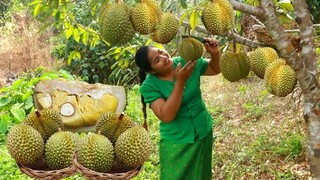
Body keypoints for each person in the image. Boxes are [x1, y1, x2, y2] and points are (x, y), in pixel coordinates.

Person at [134, 37, 221, 180]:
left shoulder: (185, 61)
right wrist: (180, 82)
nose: (163, 57)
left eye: (161, 52)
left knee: (202, 175)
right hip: (177, 141)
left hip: (203, 130)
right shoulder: (149, 86)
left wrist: (215, 54)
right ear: (151, 71)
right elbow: (166, 115)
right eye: (157, 60)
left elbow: (214, 68)